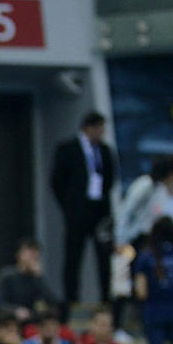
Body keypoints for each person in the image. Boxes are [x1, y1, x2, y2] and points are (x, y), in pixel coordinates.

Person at [51, 111, 115, 305]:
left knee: (104, 257)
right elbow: (57, 181)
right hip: (77, 211)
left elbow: (111, 178)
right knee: (73, 257)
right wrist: (68, 207)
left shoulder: (104, 150)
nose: (102, 133)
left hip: (99, 210)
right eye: (99, 128)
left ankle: (106, 298)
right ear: (89, 127)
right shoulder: (67, 149)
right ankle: (72, 298)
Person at [0, 239, 62, 323]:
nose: (33, 256)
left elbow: (52, 302)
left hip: (33, 319)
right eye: (29, 252)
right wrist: (15, 310)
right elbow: (0, 303)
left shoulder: (37, 278)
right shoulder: (6, 275)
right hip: (10, 319)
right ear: (19, 254)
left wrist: (39, 278)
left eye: (36, 253)